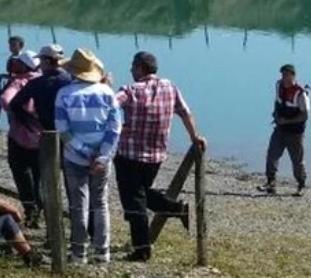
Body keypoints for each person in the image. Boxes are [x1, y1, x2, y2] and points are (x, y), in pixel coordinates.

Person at [114, 51, 206, 261]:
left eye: (132, 66)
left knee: (134, 202)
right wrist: (195, 136)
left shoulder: (130, 90)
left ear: (139, 68)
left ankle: (142, 249)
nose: (130, 70)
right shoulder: (169, 87)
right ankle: (176, 208)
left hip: (129, 155)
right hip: (156, 155)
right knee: (141, 194)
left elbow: (110, 105)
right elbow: (185, 111)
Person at [55, 48, 122, 266]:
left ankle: (78, 253)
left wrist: (84, 152)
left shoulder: (64, 95)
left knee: (78, 204)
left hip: (75, 156)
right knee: (100, 203)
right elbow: (115, 127)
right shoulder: (107, 93)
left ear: (73, 71)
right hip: (102, 157)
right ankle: (102, 251)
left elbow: (63, 130)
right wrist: (102, 156)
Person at [0, 49, 44, 226]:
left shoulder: (18, 82)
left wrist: (21, 113)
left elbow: (5, 100)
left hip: (19, 137)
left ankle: (31, 210)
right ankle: (41, 207)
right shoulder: (45, 81)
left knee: (22, 175)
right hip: (44, 139)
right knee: (41, 176)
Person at [260, 63, 310, 196]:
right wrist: (275, 114)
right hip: (280, 128)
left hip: (295, 132)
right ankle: (271, 183)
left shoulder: (300, 93)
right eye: (283, 75)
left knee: (297, 160)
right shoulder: (279, 85)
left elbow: (305, 115)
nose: (284, 78)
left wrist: (287, 121)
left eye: (287, 75)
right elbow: (277, 101)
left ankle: (301, 185)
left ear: (293, 76)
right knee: (272, 155)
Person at [19, 44, 71, 132]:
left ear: (46, 61)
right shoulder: (71, 80)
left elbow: (15, 104)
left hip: (45, 129)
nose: (39, 64)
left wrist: (32, 121)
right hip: (69, 129)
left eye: (40, 60)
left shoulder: (36, 83)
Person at [0, 35, 27, 119]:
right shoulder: (11, 58)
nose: (11, 47)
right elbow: (12, 74)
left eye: (13, 45)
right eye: (10, 45)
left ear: (21, 46)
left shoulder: (24, 59)